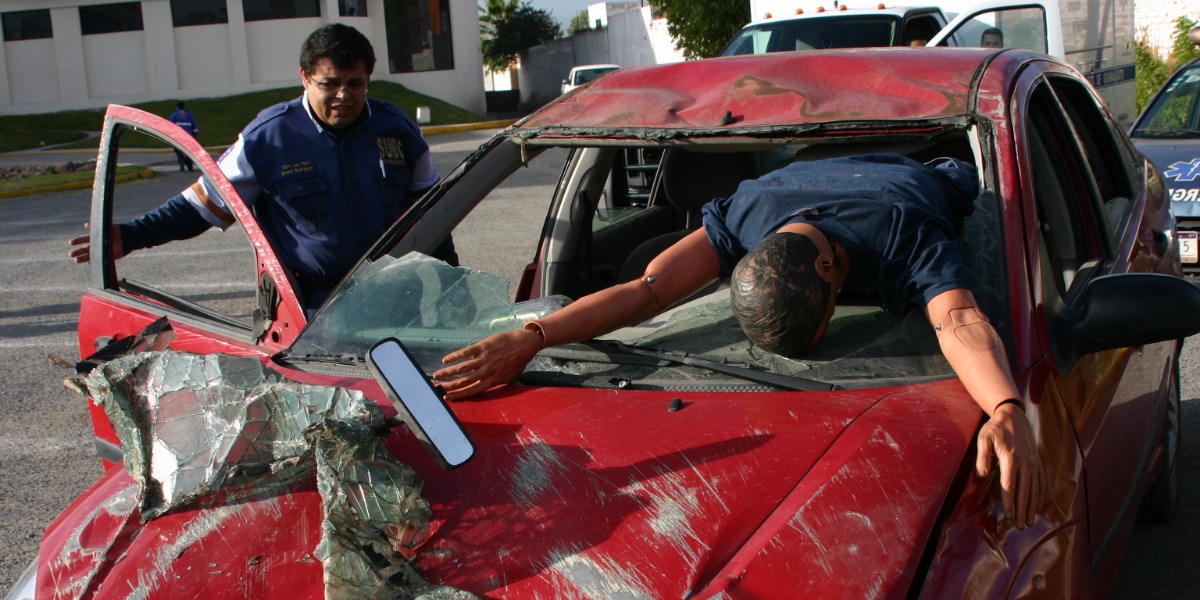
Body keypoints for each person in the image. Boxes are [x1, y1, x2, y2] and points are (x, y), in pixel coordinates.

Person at [434, 153, 1046, 530]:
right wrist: (532, 335)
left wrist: (1006, 407)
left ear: (832, 271)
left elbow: (957, 318)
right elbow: (646, 290)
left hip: (917, 179)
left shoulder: (905, 235)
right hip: (793, 181)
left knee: (965, 187)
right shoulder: (748, 211)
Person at [68, 23, 449, 313]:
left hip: (396, 298)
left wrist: (453, 291)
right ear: (305, 77)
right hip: (311, 308)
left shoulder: (398, 131)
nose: (343, 96)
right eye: (330, 83)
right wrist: (133, 235)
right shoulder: (268, 138)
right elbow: (201, 206)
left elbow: (435, 217)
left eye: (356, 83)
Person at [168, 102, 199, 172]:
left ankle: (181, 161)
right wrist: (195, 134)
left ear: (177, 107)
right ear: (184, 107)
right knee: (189, 151)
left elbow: (170, 126)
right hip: (189, 135)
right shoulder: (189, 115)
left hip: (178, 136)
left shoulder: (174, 115)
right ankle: (189, 165)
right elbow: (194, 126)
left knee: (178, 150)